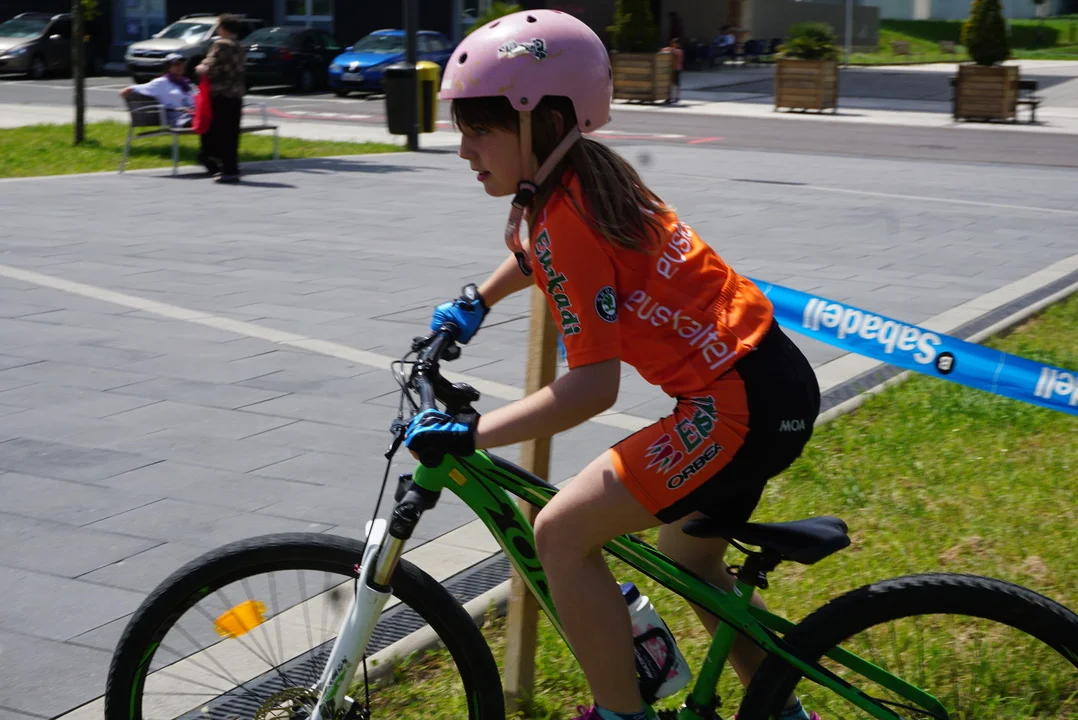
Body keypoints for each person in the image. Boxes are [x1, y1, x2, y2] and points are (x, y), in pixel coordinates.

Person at [405, 10, 822, 720]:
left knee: (560, 533)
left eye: (479, 130)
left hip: (736, 407)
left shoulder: (566, 217)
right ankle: (781, 712)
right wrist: (478, 300)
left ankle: (620, 714)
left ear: (540, 122)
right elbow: (537, 256)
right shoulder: (588, 178)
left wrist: (472, 434)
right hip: (771, 379)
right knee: (689, 559)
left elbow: (592, 388)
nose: (464, 148)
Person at [195, 14, 247, 183]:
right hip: (236, 93)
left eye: (218, 26)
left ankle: (214, 163)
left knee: (217, 131)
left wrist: (200, 67)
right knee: (231, 133)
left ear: (223, 28)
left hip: (220, 94)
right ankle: (231, 169)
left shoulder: (221, 44)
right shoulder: (240, 46)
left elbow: (208, 67)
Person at [119, 53, 197, 128]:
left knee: (203, 121)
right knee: (203, 123)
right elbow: (138, 88)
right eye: (177, 64)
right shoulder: (161, 82)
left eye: (182, 64)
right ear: (168, 67)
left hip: (191, 115)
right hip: (178, 119)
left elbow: (193, 101)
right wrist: (129, 90)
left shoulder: (185, 83)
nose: (181, 66)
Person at [663, 38, 684, 104]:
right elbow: (663, 49)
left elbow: (674, 52)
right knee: (670, 84)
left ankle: (677, 97)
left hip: (677, 69)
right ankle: (670, 97)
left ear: (678, 44)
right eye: (673, 43)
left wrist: (670, 49)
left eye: (674, 43)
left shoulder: (680, 51)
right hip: (672, 69)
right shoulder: (673, 50)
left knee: (677, 84)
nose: (673, 44)